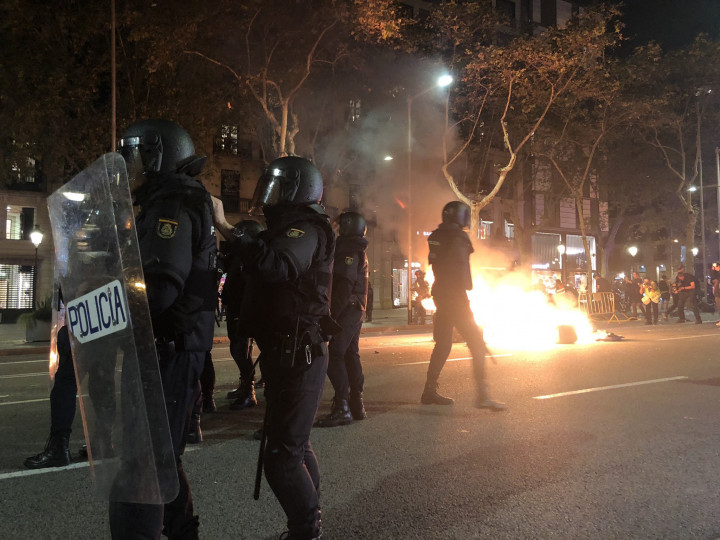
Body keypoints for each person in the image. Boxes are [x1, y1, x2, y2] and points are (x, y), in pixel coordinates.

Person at [213, 156, 335, 540]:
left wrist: (226, 228)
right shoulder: (285, 228)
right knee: (294, 448)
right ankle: (308, 525)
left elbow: (279, 266)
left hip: (301, 353)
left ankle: (306, 532)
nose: (269, 195)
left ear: (298, 189)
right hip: (285, 353)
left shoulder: (306, 229)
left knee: (282, 459)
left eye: (278, 186)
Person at [111, 119, 217, 539]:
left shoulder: (172, 205)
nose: (129, 164)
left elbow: (157, 290)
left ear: (157, 154)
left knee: (146, 465)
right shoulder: (163, 201)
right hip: (167, 345)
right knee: (161, 459)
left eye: (134, 154)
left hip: (168, 347)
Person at [421, 201, 506, 411]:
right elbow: (460, 269)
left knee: (443, 345)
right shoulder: (458, 237)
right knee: (477, 344)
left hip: (441, 294)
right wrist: (465, 297)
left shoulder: (436, 237)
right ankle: (483, 396)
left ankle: (429, 391)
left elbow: (438, 266)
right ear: (459, 216)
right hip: (455, 297)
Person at [316, 211, 369, 428]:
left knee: (334, 354)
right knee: (350, 353)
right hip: (356, 309)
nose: (335, 228)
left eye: (339, 225)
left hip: (347, 309)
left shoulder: (347, 248)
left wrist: (331, 316)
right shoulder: (357, 248)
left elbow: (344, 285)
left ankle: (342, 407)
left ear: (347, 227)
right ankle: (356, 404)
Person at [221, 220, 265, 410]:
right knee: (239, 350)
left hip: (244, 309)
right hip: (236, 307)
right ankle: (246, 386)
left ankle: (249, 392)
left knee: (240, 350)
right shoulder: (239, 255)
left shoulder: (251, 257)